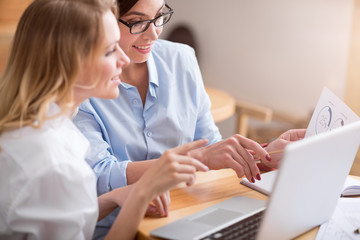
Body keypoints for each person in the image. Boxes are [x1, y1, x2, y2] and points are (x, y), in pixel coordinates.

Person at [73, 0, 306, 236]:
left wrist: (264, 155)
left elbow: (210, 147)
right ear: (104, 17)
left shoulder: (181, 60)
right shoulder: (81, 80)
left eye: (159, 16)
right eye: (137, 22)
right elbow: (98, 176)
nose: (153, 33)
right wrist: (195, 158)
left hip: (186, 216)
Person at [0, 0, 210, 239]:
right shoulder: (55, 166)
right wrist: (142, 194)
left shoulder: (47, 123)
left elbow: (67, 215)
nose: (123, 59)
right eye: (110, 50)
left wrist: (113, 198)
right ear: (69, 61)